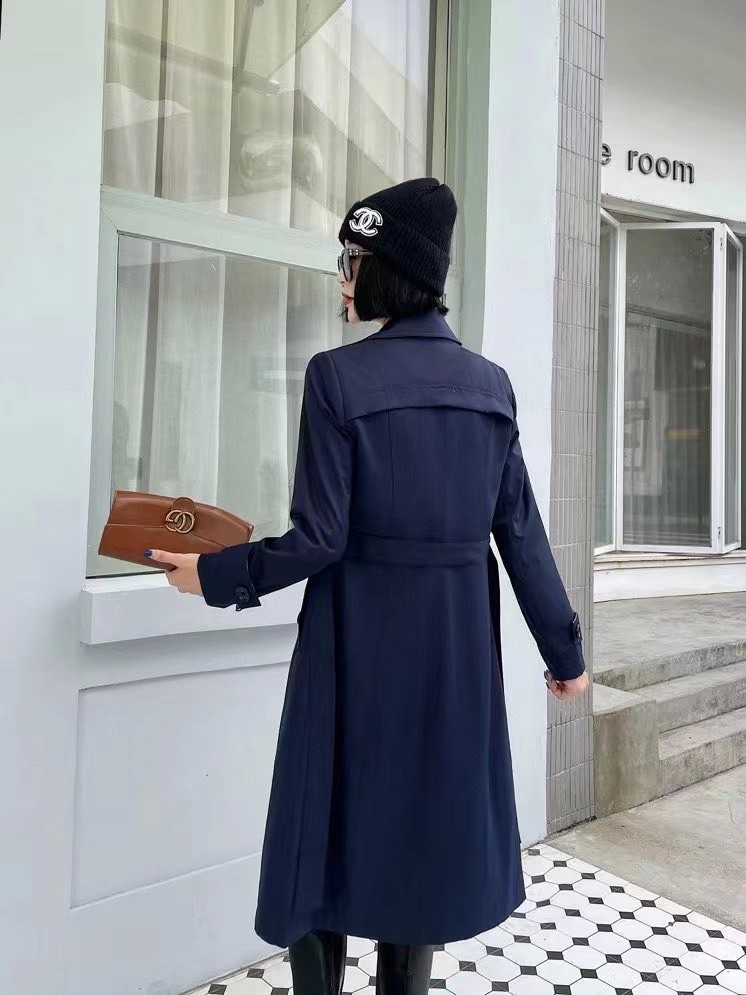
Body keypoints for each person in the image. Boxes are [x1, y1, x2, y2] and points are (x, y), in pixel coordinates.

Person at [145, 177, 589, 995]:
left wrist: (211, 572)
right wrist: (565, 653)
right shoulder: (491, 387)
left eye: (352, 261)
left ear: (392, 271)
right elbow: (521, 532)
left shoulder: (337, 378)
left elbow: (319, 538)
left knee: (323, 839)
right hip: (452, 666)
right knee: (416, 844)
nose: (343, 279)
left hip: (352, 656)